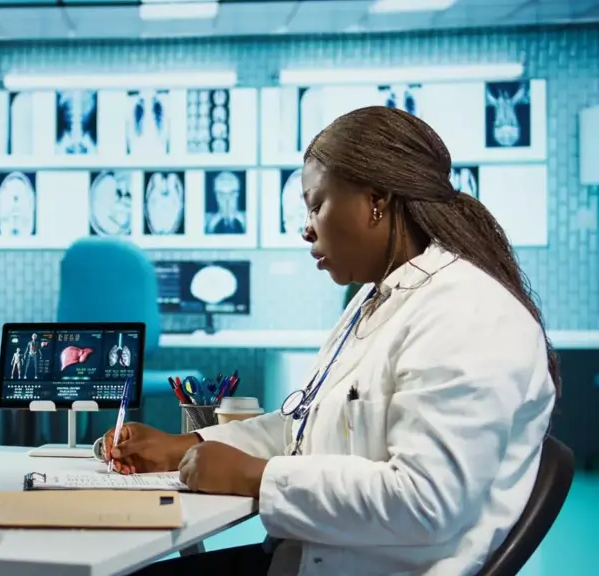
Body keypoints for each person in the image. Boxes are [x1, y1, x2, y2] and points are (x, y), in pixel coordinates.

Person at [105, 106, 558, 575]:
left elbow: (428, 502)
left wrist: (257, 477)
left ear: (376, 199)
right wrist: (183, 444)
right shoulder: (379, 298)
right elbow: (299, 426)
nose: (306, 227)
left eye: (316, 204)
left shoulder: (468, 313)